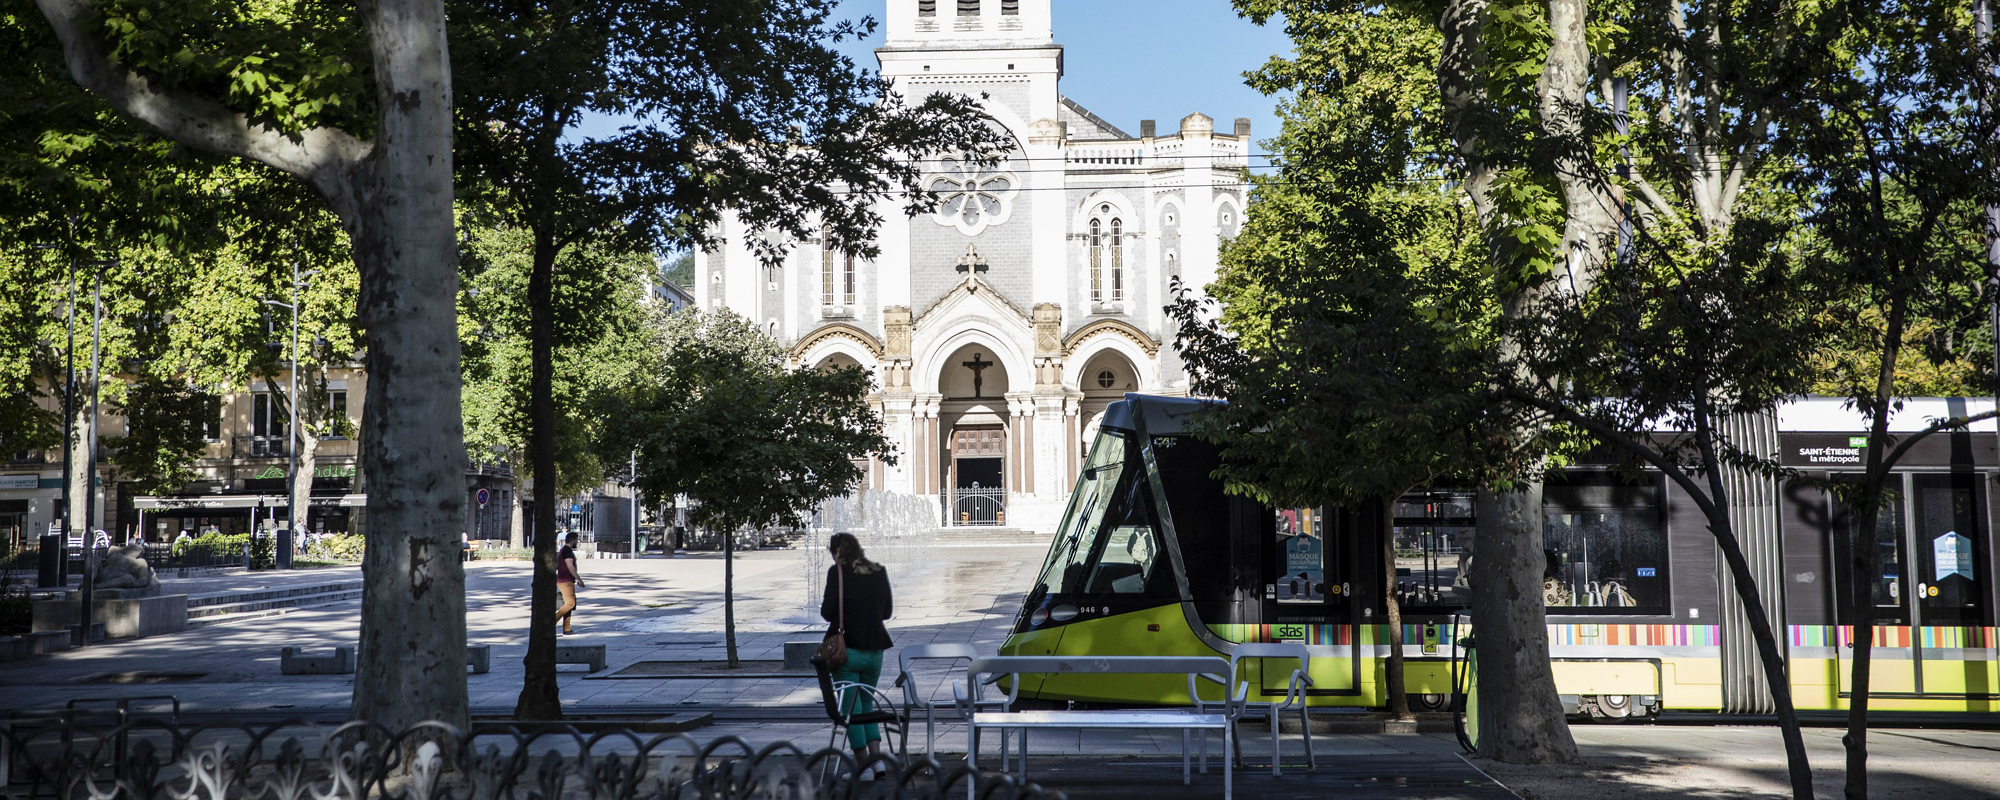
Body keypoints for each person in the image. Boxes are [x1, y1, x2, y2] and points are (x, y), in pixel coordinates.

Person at [820, 532, 894, 775]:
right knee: (866, 706)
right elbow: (886, 612)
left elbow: (827, 612)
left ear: (837, 552)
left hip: (847, 653)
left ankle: (863, 766)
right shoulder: (879, 571)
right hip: (875, 652)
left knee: (850, 710)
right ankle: (878, 762)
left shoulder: (837, 573)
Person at [555, 532, 584, 635]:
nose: (577, 542)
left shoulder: (563, 550)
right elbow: (570, 567)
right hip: (566, 581)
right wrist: (579, 579)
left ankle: (567, 629)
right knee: (570, 603)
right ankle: (552, 622)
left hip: (564, 580)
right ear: (572, 540)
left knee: (568, 604)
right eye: (576, 540)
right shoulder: (567, 551)